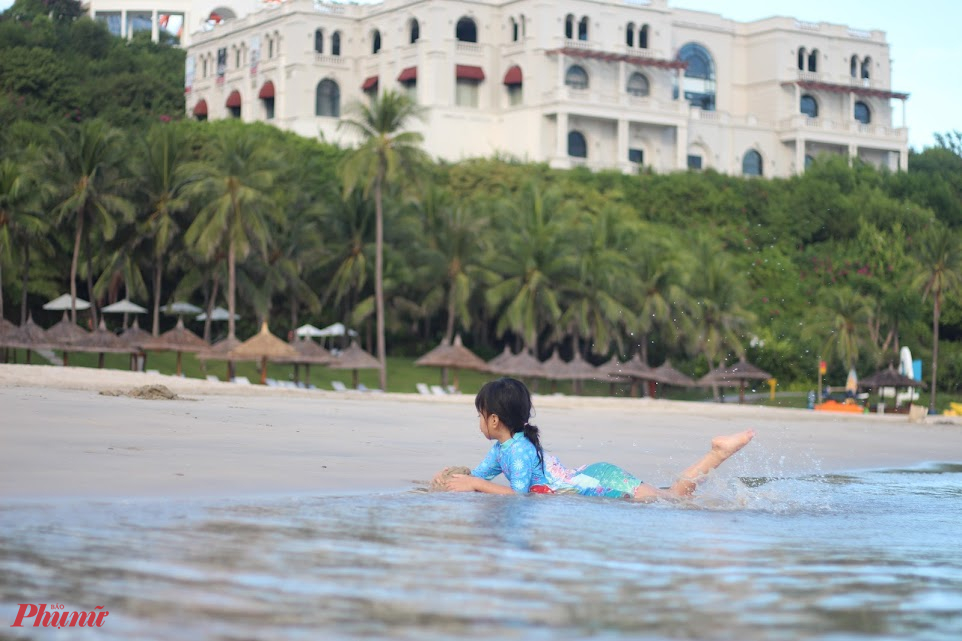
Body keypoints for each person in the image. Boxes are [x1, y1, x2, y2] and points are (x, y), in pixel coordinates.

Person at [434, 377, 755, 501]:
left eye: (479, 415)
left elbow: (518, 495)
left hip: (594, 481)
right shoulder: (502, 448)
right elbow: (478, 476)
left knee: (674, 498)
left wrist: (475, 485)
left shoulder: (517, 452)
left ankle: (717, 453)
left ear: (493, 419)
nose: (479, 422)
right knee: (672, 495)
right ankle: (716, 454)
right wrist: (451, 477)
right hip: (591, 474)